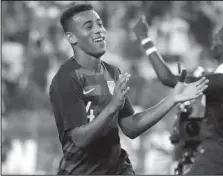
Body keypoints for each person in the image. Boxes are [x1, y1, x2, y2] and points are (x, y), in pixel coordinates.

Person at [49, 4, 208, 175]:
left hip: (118, 168)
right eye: (89, 26)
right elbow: (80, 139)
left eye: (100, 24)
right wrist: (113, 106)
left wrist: (172, 99)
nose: (99, 30)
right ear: (72, 38)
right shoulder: (66, 79)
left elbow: (130, 127)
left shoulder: (112, 72)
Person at [133, 16, 223, 174]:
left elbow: (168, 78)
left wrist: (145, 39)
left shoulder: (218, 82)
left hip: (216, 156)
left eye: (217, 39)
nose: (213, 42)